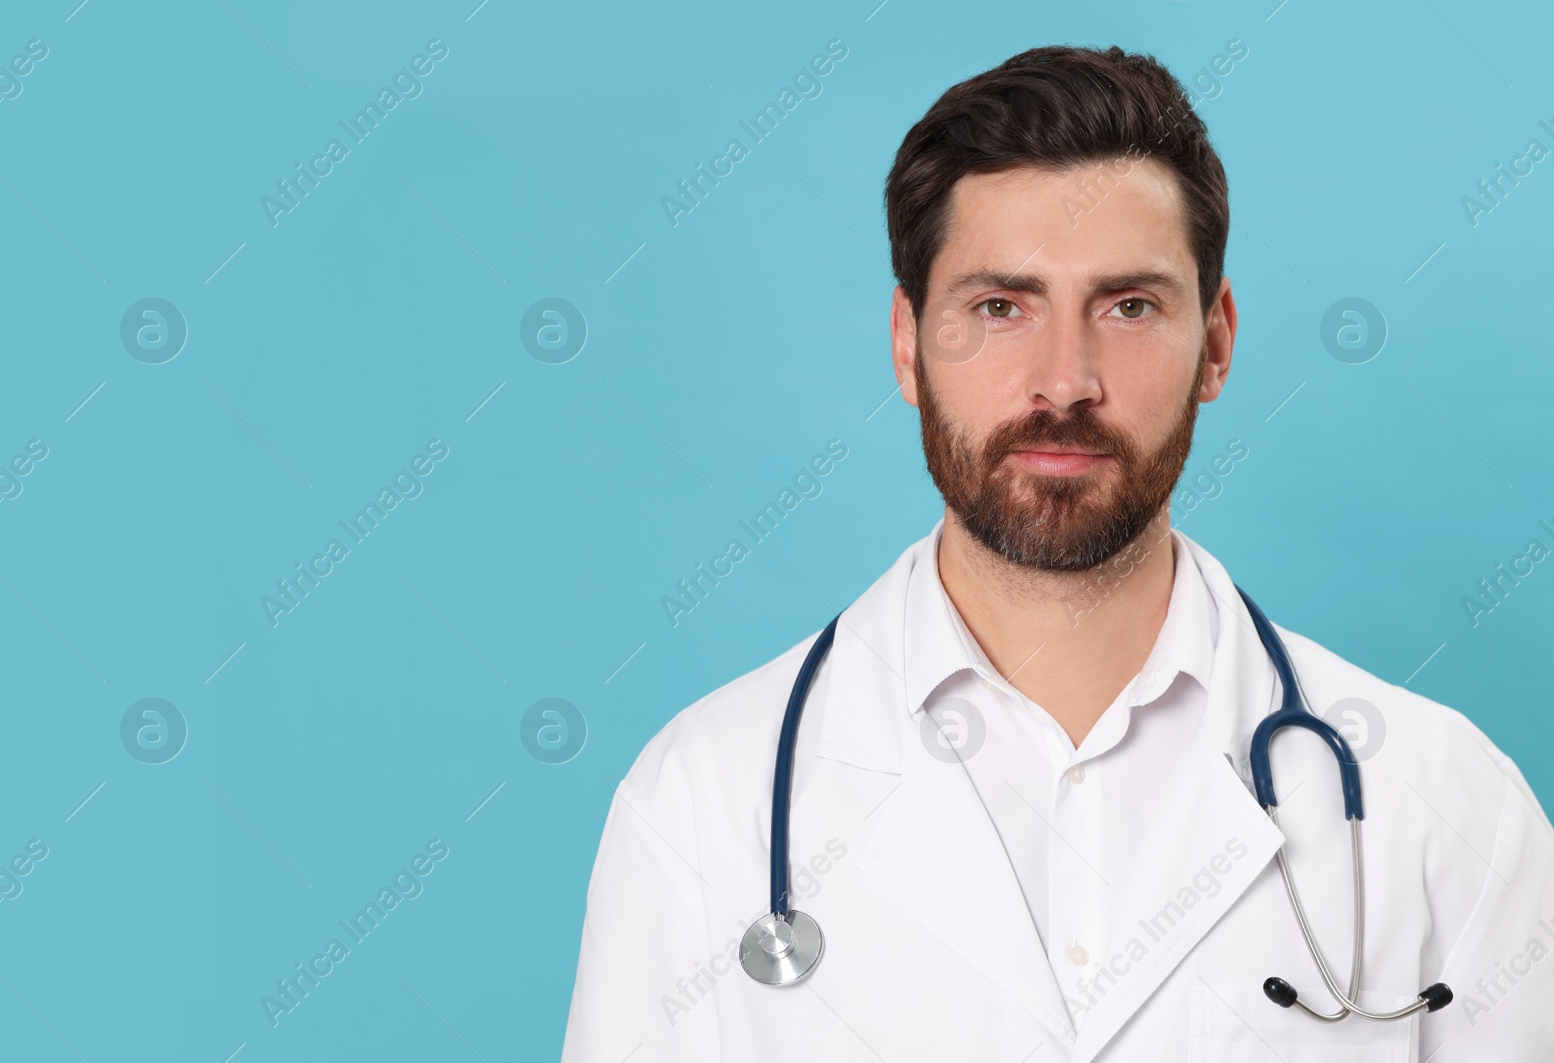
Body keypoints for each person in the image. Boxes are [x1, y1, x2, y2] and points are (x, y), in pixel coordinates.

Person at [561, 44, 1554, 1061]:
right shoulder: (700, 803)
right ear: (907, 343)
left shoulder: (1447, 806)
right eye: (1000, 306)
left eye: (1129, 306)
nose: (1064, 380)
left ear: (1215, 343)